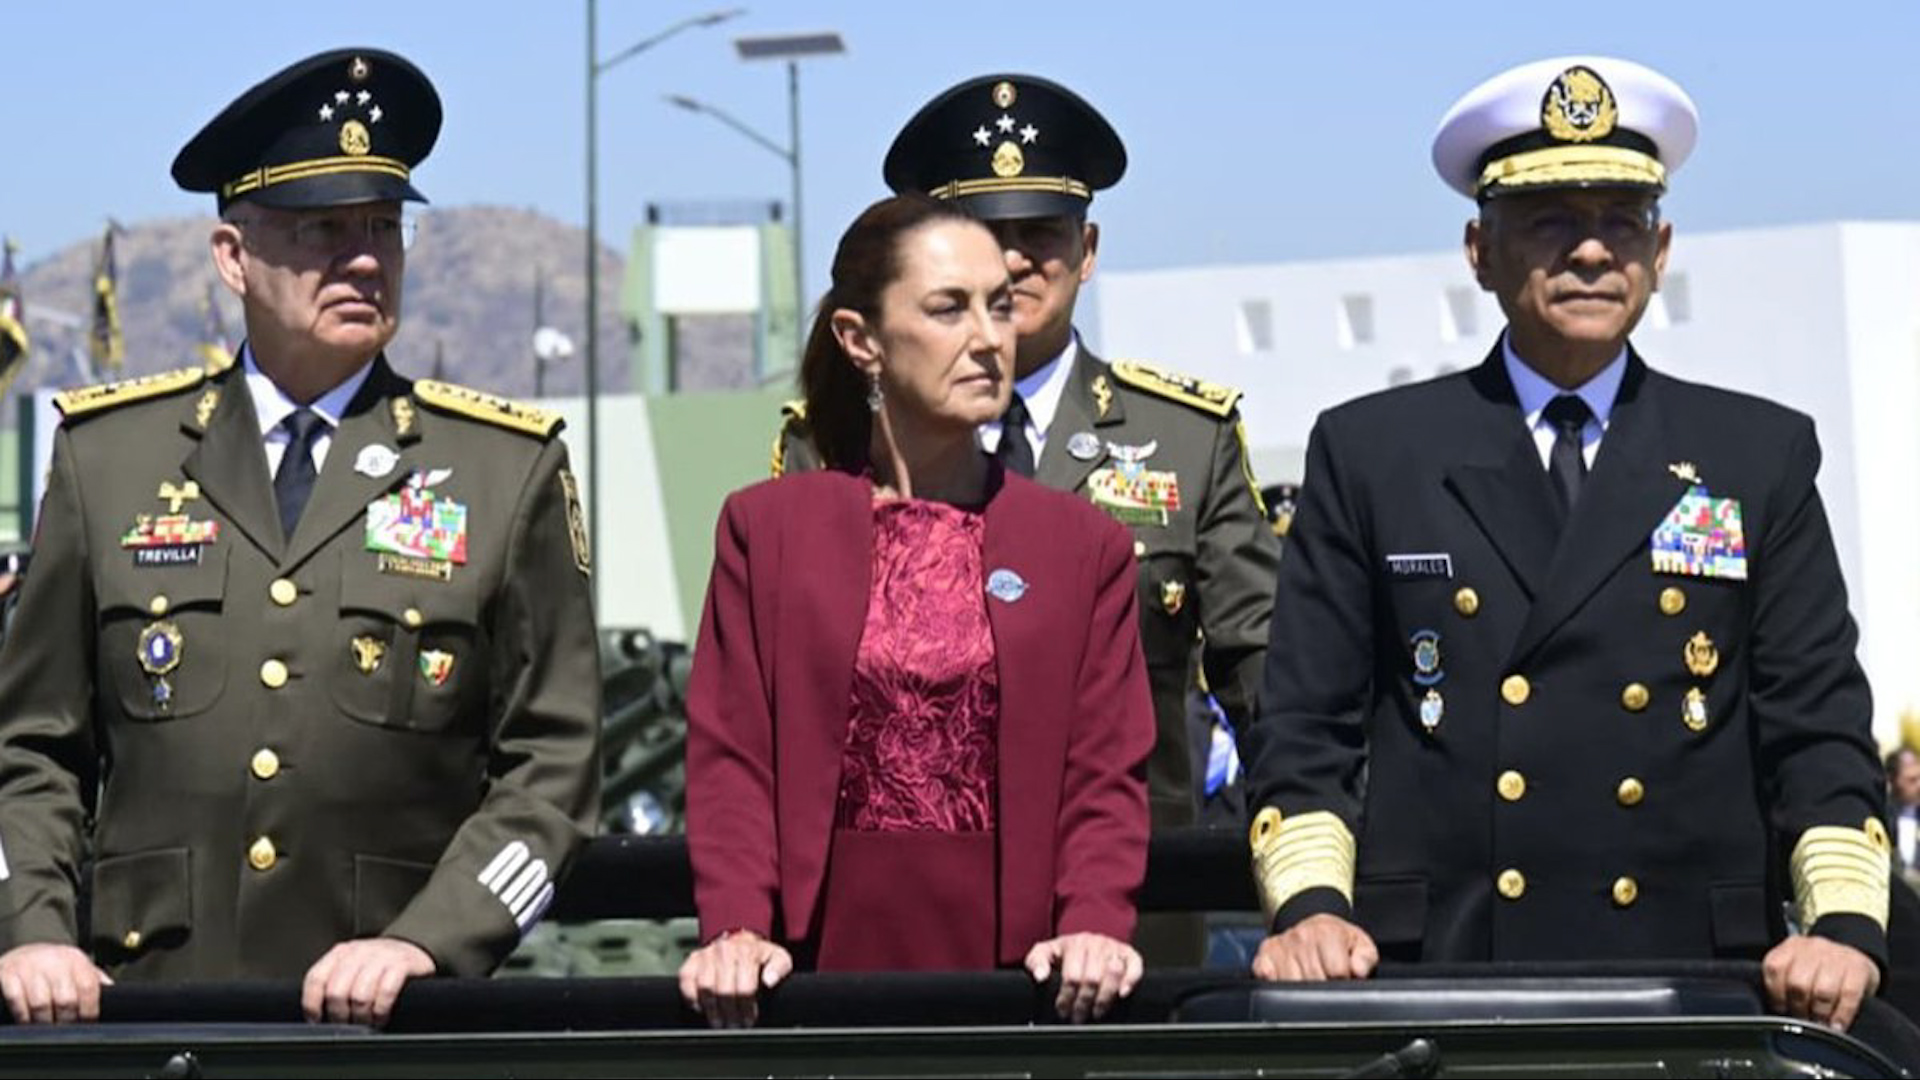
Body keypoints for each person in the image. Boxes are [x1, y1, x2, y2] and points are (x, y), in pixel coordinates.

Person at [1241, 56, 1889, 1033]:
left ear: (1661, 249)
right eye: (1552, 222)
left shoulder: (1755, 455)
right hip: (1447, 976)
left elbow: (1814, 719)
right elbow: (1306, 722)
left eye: (1620, 222)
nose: (1592, 253)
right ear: (1479, 251)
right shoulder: (1376, 451)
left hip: (1689, 981)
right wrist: (1310, 908)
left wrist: (1843, 924)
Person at [0, 48, 600, 1027]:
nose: (363, 257)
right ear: (233, 256)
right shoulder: (108, 460)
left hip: (392, 1027)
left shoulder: (504, 471)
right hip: (140, 1014)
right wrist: (31, 927)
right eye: (322, 228)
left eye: (382, 226)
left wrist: (435, 939)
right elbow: (29, 749)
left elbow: (556, 770)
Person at [774, 75, 1280, 964]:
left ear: (1087, 249)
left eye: (1040, 234)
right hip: (894, 941)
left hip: (1124, 940)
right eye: (984, 238)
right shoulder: (839, 440)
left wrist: (1299, 870)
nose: (1014, 263)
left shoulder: (1185, 441)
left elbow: (1268, 680)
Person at [680, 194, 1153, 1027]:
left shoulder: (1082, 547)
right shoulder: (768, 530)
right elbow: (733, 759)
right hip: (810, 977)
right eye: (949, 308)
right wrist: (737, 928)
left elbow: (1104, 774)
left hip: (1024, 986)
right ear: (862, 342)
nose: (988, 338)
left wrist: (1093, 923)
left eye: (999, 307)